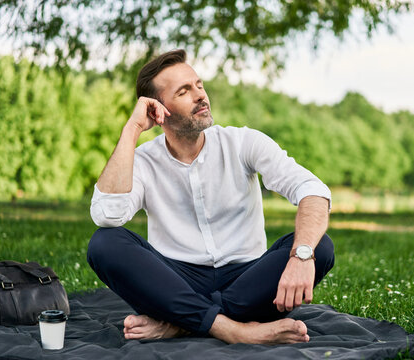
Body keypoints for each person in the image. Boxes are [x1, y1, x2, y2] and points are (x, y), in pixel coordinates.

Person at [87, 49, 335, 345]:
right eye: (184, 91)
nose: (200, 95)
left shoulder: (243, 142)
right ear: (158, 110)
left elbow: (313, 190)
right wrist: (131, 130)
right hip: (174, 282)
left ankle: (182, 324)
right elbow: (106, 215)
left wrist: (301, 256)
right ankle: (237, 330)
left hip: (247, 280)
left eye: (199, 85)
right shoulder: (141, 161)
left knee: (320, 246)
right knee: (105, 243)